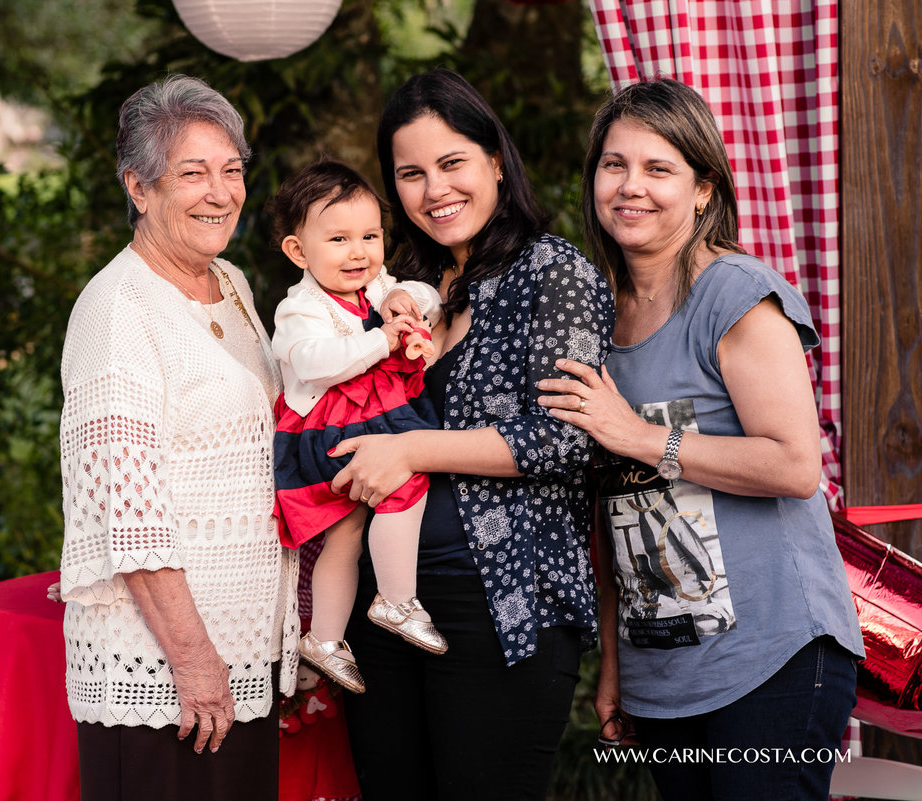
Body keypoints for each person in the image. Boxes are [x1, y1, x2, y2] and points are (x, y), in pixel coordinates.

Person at [536, 77, 864, 800]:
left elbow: (794, 463)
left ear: (704, 189)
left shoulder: (736, 294)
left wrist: (638, 433)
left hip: (771, 658)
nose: (632, 186)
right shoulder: (596, 317)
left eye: (659, 169)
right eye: (615, 165)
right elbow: (614, 508)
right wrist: (618, 665)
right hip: (663, 675)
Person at [329, 68, 614, 800]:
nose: (435, 190)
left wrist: (411, 449)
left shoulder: (552, 273)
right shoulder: (403, 290)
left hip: (502, 601)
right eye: (412, 174)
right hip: (384, 606)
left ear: (495, 160)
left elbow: (569, 438)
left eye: (452, 163)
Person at [56, 74, 299, 801]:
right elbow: (132, 519)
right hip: (165, 672)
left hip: (242, 656)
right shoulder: (117, 309)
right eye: (193, 172)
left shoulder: (230, 282)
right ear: (139, 186)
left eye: (232, 170)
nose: (221, 192)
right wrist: (195, 661)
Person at [270, 160, 448, 696]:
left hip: (364, 419)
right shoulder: (298, 308)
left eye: (370, 236)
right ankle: (396, 599)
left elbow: (429, 299)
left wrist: (407, 301)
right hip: (326, 431)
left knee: (344, 535)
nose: (359, 252)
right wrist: (385, 340)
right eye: (340, 239)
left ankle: (322, 638)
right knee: (405, 486)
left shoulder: (376, 287)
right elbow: (313, 362)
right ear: (299, 252)